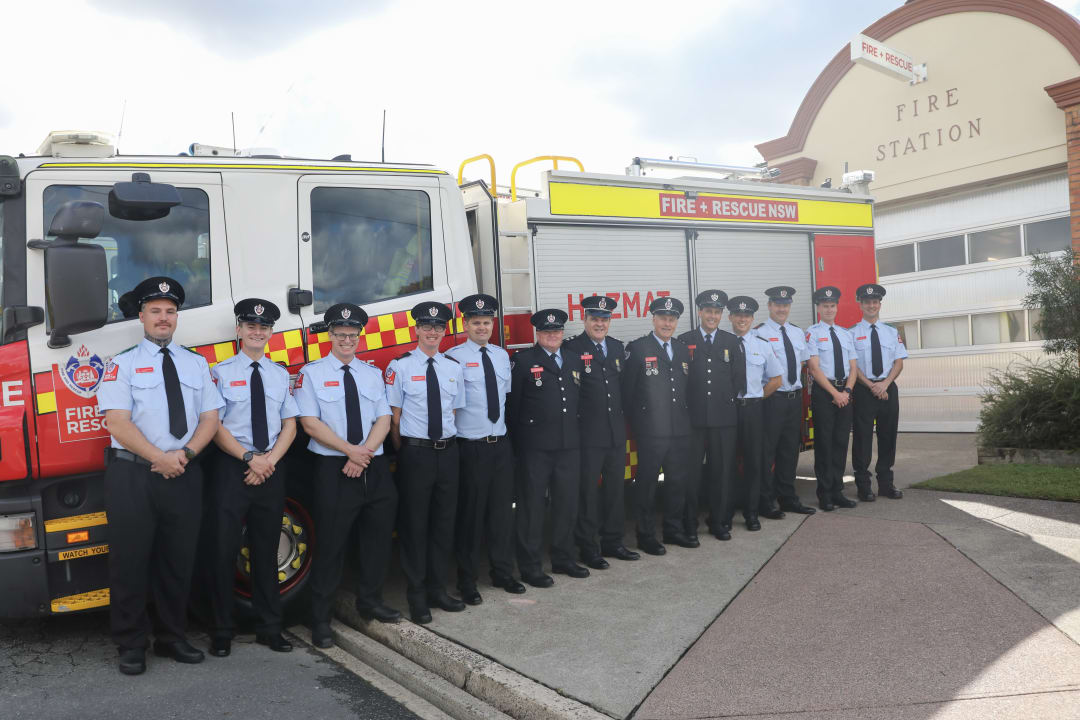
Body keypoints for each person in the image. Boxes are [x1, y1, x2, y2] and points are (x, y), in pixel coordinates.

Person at [98, 276, 224, 675]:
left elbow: (210, 417)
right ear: (141, 316)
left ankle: (173, 637)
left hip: (183, 472)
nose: (164, 318)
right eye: (156, 311)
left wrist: (184, 454)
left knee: (178, 560)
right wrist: (160, 457)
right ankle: (131, 644)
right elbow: (117, 422)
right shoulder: (121, 364)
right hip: (133, 477)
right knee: (130, 562)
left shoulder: (196, 363)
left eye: (170, 311)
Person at [296, 303, 399, 649]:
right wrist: (349, 451)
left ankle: (370, 602)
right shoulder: (310, 374)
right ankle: (320, 620)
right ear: (330, 335)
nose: (347, 341)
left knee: (377, 539)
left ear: (360, 336)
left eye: (352, 335)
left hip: (373, 467)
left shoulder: (371, 374)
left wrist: (363, 453)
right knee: (331, 546)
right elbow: (309, 423)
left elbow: (383, 419)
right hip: (334, 469)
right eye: (340, 335)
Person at [207, 299, 298, 657]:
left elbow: (290, 423)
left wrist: (269, 460)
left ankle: (270, 627)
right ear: (239, 331)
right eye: (251, 326)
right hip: (233, 467)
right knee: (223, 550)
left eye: (264, 327)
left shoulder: (279, 373)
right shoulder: (220, 372)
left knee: (266, 551)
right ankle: (221, 630)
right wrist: (249, 458)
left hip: (271, 468)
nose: (258, 332)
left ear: (271, 332)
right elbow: (213, 424)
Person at [386, 301, 467, 624]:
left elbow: (455, 411)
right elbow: (394, 419)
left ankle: (438, 590)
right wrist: (406, 450)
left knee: (443, 525)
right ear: (416, 330)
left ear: (444, 332)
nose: (433, 332)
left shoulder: (453, 368)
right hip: (415, 454)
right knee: (415, 525)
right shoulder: (400, 366)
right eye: (427, 326)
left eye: (438, 327)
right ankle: (416, 596)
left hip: (448, 452)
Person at [446, 294, 525, 603]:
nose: (481, 327)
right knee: (471, 517)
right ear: (465, 325)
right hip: (472, 447)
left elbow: (503, 399)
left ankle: (503, 573)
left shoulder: (502, 356)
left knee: (502, 514)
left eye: (486, 322)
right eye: (475, 322)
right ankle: (467, 582)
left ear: (493, 324)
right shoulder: (452, 357)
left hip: (500, 446)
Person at [507, 309, 587, 586]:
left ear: (563, 333)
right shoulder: (524, 361)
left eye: (557, 331)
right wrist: (518, 448)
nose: (552, 336)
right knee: (532, 508)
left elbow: (580, 403)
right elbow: (513, 408)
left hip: (569, 445)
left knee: (566, 503)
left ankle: (563, 559)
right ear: (537, 334)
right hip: (535, 448)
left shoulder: (575, 359)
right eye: (547, 332)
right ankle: (530, 567)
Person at [564, 295, 638, 566]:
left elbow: (626, 390)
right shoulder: (572, 349)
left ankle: (613, 542)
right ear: (585, 320)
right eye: (594, 318)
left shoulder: (618, 349)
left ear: (610, 321)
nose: (599, 324)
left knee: (615, 490)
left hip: (616, 434)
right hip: (588, 435)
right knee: (587, 493)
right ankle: (588, 546)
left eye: (604, 319)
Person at [622, 296, 694, 555]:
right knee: (647, 483)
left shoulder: (683, 348)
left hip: (680, 430)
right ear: (653, 319)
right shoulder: (638, 348)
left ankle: (673, 531)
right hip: (651, 431)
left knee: (677, 482)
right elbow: (628, 393)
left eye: (672, 319)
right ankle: (646, 535)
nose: (667, 323)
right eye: (663, 318)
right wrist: (641, 423)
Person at [678, 290, 743, 542]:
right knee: (691, 474)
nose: (712, 316)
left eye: (717, 312)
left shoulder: (731, 342)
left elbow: (739, 380)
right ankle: (689, 523)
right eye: (708, 311)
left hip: (724, 419)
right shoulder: (685, 340)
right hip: (693, 419)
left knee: (721, 472)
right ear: (700, 312)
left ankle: (719, 521)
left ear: (721, 315)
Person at [755, 286, 816, 518]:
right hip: (772, 400)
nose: (782, 309)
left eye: (786, 304)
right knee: (767, 452)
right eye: (777, 304)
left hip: (794, 400)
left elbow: (802, 366)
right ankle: (767, 501)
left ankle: (788, 498)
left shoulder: (797, 333)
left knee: (790, 452)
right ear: (770, 306)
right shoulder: (758, 333)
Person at [725, 296, 783, 533]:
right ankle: (724, 515)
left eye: (746, 316)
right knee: (725, 464)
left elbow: (777, 379)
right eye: (737, 315)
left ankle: (751, 513)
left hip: (752, 410)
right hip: (726, 411)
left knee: (753, 463)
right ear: (730, 317)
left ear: (752, 319)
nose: (742, 319)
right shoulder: (721, 343)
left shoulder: (762, 344)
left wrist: (757, 397)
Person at [850, 283, 907, 501]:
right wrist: (872, 385)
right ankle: (864, 486)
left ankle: (886, 484)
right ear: (860, 304)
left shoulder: (892, 332)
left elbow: (899, 363)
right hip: (864, 390)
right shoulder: (852, 333)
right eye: (867, 302)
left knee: (888, 437)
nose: (871, 305)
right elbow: (853, 366)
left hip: (888, 389)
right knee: (862, 439)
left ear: (880, 304)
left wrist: (884, 384)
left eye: (874, 302)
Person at [806, 286, 858, 511]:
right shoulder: (812, 333)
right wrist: (835, 393)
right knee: (825, 445)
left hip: (844, 393)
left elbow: (853, 367)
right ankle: (824, 494)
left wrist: (846, 391)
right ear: (818, 308)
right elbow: (814, 369)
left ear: (837, 307)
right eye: (825, 306)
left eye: (832, 305)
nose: (829, 309)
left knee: (840, 443)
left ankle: (838, 492)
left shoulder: (846, 334)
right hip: (824, 393)